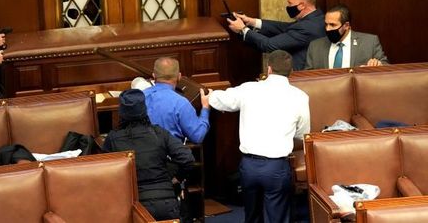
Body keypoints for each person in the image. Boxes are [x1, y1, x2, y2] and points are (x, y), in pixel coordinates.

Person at [208, 50, 310, 223]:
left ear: (269, 69)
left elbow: (221, 100)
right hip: (277, 167)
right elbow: (302, 133)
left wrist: (209, 95)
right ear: (290, 72)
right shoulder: (300, 97)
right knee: (277, 218)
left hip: (249, 167)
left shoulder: (249, 89)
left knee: (252, 216)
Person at [103, 89, 195, 221]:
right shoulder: (159, 133)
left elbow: (107, 175)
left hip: (135, 206)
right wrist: (177, 178)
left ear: (121, 112)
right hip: (167, 204)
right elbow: (188, 159)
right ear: (144, 109)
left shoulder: (112, 139)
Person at [227, 0, 325, 70]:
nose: (288, 6)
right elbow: (285, 27)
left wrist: (243, 29)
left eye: (290, 3)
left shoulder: (306, 27)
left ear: (302, 5)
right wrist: (252, 22)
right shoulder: (318, 18)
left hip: (300, 78)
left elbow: (269, 45)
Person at [143, 57, 211, 144]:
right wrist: (205, 109)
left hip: (139, 155)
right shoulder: (181, 103)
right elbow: (197, 136)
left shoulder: (139, 97)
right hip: (169, 155)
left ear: (154, 75)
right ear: (179, 76)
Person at [305, 4, 389, 69]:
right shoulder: (315, 46)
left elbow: (386, 67)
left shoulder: (369, 42)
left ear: (346, 25)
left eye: (332, 25)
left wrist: (377, 64)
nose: (328, 29)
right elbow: (307, 76)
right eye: (326, 24)